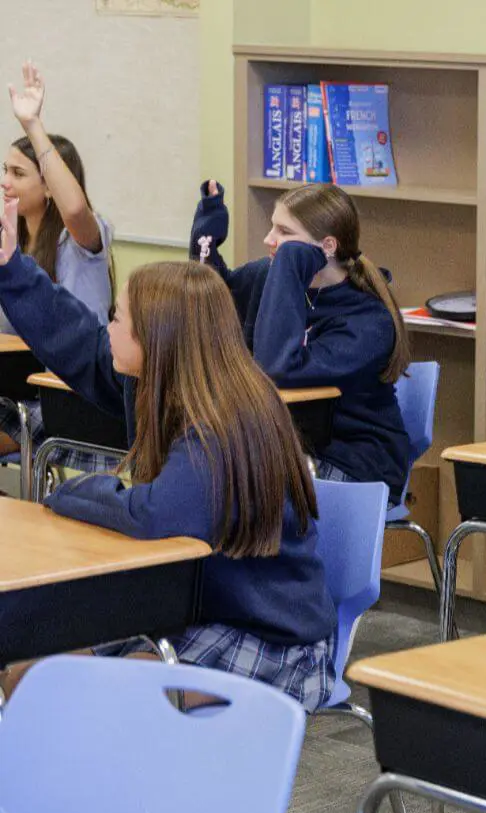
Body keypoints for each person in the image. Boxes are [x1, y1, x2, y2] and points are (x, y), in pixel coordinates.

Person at [0, 196, 336, 711]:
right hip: (190, 611)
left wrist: (69, 491)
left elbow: (159, 514)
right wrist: (10, 267)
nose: (108, 327)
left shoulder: (226, 421)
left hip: (271, 639)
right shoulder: (162, 382)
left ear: (157, 338)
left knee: (85, 698)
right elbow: (74, 340)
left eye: (118, 318)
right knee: (27, 673)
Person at [189, 179, 410, 505]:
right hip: (283, 448)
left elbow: (278, 369)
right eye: (271, 227)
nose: (268, 239)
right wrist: (207, 232)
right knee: (193, 475)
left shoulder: (367, 322)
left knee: (223, 496)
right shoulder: (271, 278)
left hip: (351, 464)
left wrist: (291, 261)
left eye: (284, 233)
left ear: (328, 247)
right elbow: (208, 301)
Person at [0, 61, 116, 472]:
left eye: (17, 173)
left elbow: (74, 207)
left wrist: (33, 125)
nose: (5, 182)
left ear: (47, 185)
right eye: (4, 171)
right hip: (25, 386)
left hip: (75, 396)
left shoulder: (79, 239)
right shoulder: (10, 239)